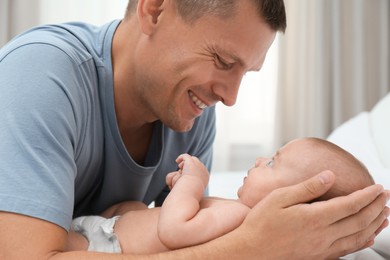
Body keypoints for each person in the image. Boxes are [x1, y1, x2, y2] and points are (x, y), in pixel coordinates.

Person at [0, 0, 388, 259]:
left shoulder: (188, 114)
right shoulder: (41, 75)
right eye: (222, 60)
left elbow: (174, 239)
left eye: (245, 73)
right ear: (154, 10)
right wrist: (251, 248)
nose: (231, 96)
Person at [65, 137, 376, 254]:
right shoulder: (239, 215)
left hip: (104, 246)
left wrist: (193, 183)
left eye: (272, 163)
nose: (259, 160)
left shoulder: (241, 217)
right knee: (135, 207)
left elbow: (174, 230)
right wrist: (180, 196)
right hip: (115, 230)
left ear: (293, 201)